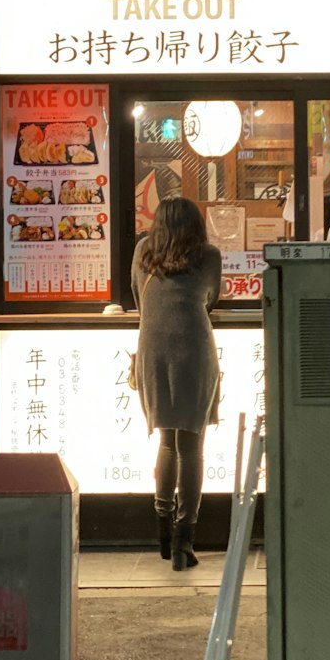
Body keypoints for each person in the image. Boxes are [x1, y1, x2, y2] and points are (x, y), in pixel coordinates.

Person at [131, 197, 222, 570]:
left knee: (167, 441)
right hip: (193, 349)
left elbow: (139, 299)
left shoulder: (142, 251)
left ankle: (163, 533)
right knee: (192, 445)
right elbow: (211, 299)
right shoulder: (208, 256)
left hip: (152, 349)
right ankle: (186, 539)